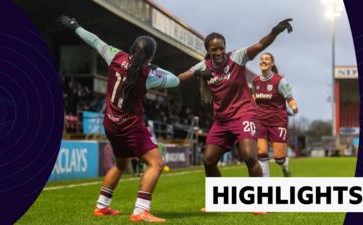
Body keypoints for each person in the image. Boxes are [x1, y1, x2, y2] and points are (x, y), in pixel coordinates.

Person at [57, 15, 179, 223]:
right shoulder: (147, 73)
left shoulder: (115, 56)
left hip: (110, 122)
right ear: (149, 57)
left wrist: (75, 26)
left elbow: (94, 40)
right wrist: (155, 67)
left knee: (121, 164)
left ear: (132, 49)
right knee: (156, 164)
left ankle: (101, 206)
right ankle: (141, 210)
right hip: (130, 126)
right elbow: (175, 80)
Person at [178, 19, 293, 183]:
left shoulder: (237, 57)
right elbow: (181, 77)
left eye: (221, 48)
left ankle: (259, 199)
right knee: (208, 161)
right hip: (221, 121)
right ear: (208, 51)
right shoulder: (204, 66)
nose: (219, 52)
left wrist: (275, 31)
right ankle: (218, 199)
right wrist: (197, 74)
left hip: (244, 114)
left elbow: (260, 45)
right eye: (214, 50)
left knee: (249, 155)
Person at [251, 52, 298, 177]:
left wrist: (293, 106)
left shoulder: (280, 81)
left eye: (266, 59)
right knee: (261, 153)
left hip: (277, 121)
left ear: (272, 63)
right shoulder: (255, 80)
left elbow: (289, 98)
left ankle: (285, 166)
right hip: (260, 120)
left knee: (279, 158)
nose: (263, 61)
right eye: (261, 59)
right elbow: (255, 97)